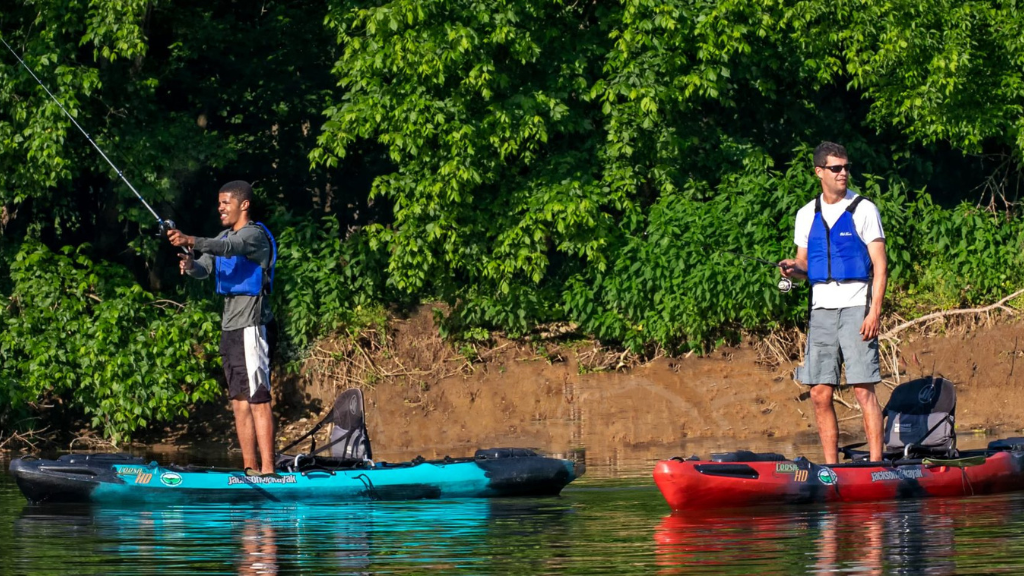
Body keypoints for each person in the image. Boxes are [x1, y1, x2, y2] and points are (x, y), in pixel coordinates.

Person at [780, 142, 888, 464]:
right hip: (821, 312)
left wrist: (874, 311)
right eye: (836, 168)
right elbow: (804, 265)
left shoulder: (864, 209)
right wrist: (791, 268)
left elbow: (880, 266)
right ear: (819, 172)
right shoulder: (805, 214)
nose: (843, 173)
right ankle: (831, 469)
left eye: (846, 167)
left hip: (857, 307)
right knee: (819, 393)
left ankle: (876, 466)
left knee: (862, 390)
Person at [167, 180, 278, 474]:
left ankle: (269, 471)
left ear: (244, 205)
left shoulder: (254, 236)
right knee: (239, 402)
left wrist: (190, 239)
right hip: (230, 328)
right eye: (219, 203)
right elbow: (205, 267)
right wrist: (190, 265)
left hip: (251, 326)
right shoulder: (222, 235)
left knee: (258, 397)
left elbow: (231, 247)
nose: (220, 208)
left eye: (225, 203)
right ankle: (250, 469)